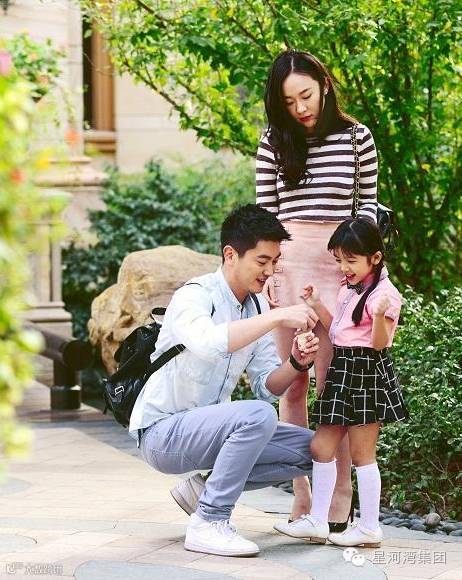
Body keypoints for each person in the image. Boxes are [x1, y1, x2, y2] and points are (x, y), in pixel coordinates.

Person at [129, 204, 321, 558]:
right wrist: (278, 317)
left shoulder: (255, 308)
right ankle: (209, 521)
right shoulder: (195, 295)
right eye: (262, 261)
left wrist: (296, 361)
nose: (270, 271)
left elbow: (267, 386)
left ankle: (203, 491)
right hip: (162, 433)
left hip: (212, 433)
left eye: (275, 261)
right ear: (230, 255)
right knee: (257, 416)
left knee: (318, 449)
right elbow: (209, 343)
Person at [256, 49, 378, 526]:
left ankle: (341, 490)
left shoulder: (356, 137)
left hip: (339, 272)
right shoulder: (273, 142)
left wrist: (360, 278)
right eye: (289, 102)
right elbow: (266, 216)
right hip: (289, 269)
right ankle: (302, 493)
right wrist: (269, 275)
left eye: (305, 95)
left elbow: (367, 211)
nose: (300, 108)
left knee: (335, 388)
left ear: (324, 85)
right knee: (294, 384)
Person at [274, 218, 408, 547]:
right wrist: (317, 304)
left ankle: (370, 527)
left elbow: (379, 343)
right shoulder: (349, 288)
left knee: (363, 454)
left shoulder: (386, 295)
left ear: (375, 258)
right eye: (339, 260)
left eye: (351, 260)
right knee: (321, 446)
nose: (344, 268)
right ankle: (318, 521)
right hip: (343, 369)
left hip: (367, 371)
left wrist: (379, 315)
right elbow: (338, 331)